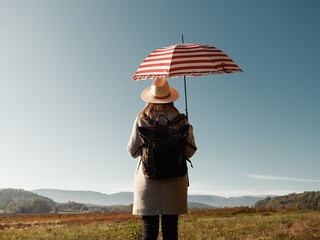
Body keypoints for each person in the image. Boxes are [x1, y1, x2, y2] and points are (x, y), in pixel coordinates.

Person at [127, 77, 197, 240]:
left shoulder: (141, 119)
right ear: (170, 97)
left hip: (148, 181)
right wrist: (189, 130)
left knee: (149, 230)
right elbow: (189, 152)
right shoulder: (181, 119)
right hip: (175, 181)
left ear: (150, 98)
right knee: (171, 231)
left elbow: (133, 152)